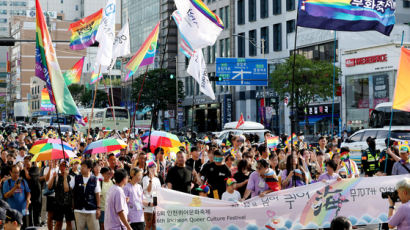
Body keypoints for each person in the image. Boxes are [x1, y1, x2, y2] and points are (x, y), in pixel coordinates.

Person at [70, 160, 101, 230]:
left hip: (92, 210)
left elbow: (97, 194)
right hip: (79, 210)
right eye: (81, 166)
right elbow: (68, 189)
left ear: (89, 168)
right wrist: (65, 176)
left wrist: (98, 208)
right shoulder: (76, 178)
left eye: (84, 166)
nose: (81, 168)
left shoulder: (95, 179)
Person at [48, 160, 74, 230]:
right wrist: (53, 177)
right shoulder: (57, 177)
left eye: (65, 166)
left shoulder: (71, 177)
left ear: (68, 168)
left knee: (69, 222)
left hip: (68, 204)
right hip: (58, 203)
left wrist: (65, 177)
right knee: (58, 222)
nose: (63, 167)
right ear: (59, 167)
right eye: (61, 165)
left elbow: (66, 189)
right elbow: (49, 187)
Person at [142, 161, 161, 230]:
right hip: (148, 203)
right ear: (148, 168)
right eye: (151, 167)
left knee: (154, 224)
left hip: (155, 202)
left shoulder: (157, 179)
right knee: (148, 224)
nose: (153, 169)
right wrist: (150, 180)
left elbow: (158, 192)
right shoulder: (145, 178)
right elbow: (148, 190)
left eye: (154, 167)